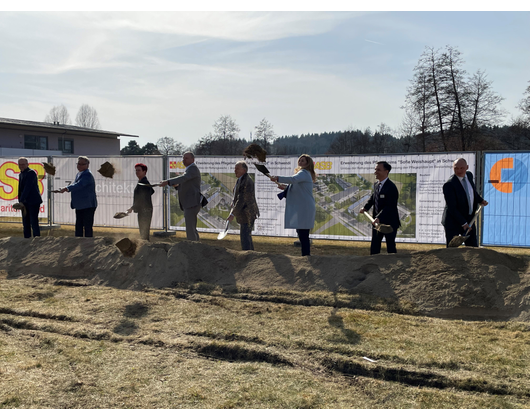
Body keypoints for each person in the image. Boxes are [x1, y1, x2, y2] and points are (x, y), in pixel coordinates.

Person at [270, 154, 316, 256]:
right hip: (303, 207)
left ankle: (306, 256)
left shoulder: (304, 172)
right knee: (301, 233)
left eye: (303, 161)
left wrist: (278, 178)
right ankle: (305, 255)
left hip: (305, 208)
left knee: (303, 234)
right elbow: (297, 189)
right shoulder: (302, 174)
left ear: (307, 163)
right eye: (300, 160)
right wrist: (286, 188)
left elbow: (292, 180)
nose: (300, 162)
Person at [441, 158, 488, 247]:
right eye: (456, 168)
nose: (459, 170)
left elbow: (472, 193)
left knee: (472, 248)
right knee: (452, 250)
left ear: (467, 167)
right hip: (453, 221)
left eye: (462, 168)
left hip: (469, 219)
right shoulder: (449, 185)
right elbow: (452, 208)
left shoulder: (469, 176)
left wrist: (480, 200)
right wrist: (463, 223)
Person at [360, 161, 401, 255]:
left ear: (386, 171)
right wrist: (365, 208)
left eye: (378, 170)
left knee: (390, 248)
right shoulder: (376, 185)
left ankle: (394, 267)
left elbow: (390, 206)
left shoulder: (391, 187)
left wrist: (379, 217)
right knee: (374, 246)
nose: (375, 172)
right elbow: (373, 199)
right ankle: (373, 266)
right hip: (377, 223)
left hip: (389, 224)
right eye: (375, 170)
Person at [160, 152, 202, 241]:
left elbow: (184, 178)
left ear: (193, 159)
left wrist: (168, 181)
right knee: (192, 227)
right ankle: (197, 247)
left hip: (192, 202)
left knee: (190, 229)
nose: (184, 160)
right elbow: (186, 185)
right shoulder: (189, 169)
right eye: (183, 158)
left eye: (186, 158)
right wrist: (177, 186)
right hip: (190, 202)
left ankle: (192, 247)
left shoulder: (192, 169)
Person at [59, 156, 97, 237]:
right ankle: (78, 242)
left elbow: (79, 184)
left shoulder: (87, 174)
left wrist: (66, 188)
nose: (79, 166)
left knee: (87, 226)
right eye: (78, 164)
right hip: (81, 204)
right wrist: (67, 188)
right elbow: (76, 184)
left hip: (88, 205)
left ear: (87, 165)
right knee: (79, 224)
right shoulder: (79, 174)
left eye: (82, 164)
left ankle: (88, 243)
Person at [227, 161, 260, 250]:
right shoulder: (240, 179)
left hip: (248, 213)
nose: (235, 170)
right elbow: (237, 196)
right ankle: (251, 255)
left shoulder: (246, 181)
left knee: (245, 237)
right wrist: (233, 203)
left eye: (237, 168)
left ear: (244, 170)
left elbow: (242, 199)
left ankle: (249, 256)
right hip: (244, 213)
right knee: (245, 236)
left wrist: (232, 214)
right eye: (235, 168)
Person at [127, 163, 155, 241]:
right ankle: (145, 245)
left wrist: (132, 208)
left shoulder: (144, 182)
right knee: (143, 231)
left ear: (144, 172)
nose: (137, 172)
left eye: (139, 170)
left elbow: (142, 198)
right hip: (144, 209)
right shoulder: (142, 182)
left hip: (145, 210)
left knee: (144, 231)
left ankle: (146, 247)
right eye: (136, 170)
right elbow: (151, 191)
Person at [17, 157, 42, 238]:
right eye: (20, 164)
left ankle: (36, 239)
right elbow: (20, 189)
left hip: (33, 201)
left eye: (23, 164)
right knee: (25, 222)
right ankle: (26, 240)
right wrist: (20, 201)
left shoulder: (31, 173)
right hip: (25, 202)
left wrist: (21, 200)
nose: (21, 166)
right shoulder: (21, 174)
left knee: (33, 222)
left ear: (27, 164)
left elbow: (28, 187)